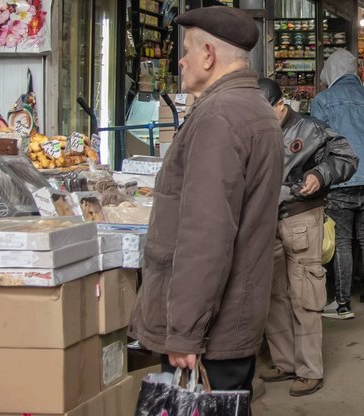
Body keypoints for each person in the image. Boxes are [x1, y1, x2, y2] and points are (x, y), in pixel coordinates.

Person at [128, 6, 283, 393]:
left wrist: (184, 332)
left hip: (211, 332)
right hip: (231, 319)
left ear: (209, 55)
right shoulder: (253, 108)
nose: (180, 60)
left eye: (186, 50)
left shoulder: (220, 116)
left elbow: (206, 235)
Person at [256, 78, 357, 396]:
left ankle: (310, 370)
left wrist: (319, 174)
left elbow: (347, 158)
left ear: (280, 106)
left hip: (301, 217)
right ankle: (285, 362)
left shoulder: (310, 128)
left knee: (305, 295)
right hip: (263, 220)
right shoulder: (252, 130)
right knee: (273, 294)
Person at [312, 49, 364, 320]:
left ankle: (343, 303)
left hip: (339, 179)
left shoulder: (322, 100)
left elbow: (318, 144)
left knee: (343, 241)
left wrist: (322, 176)